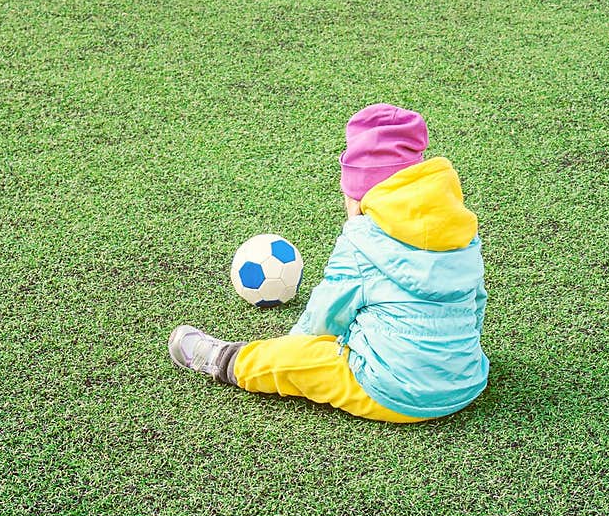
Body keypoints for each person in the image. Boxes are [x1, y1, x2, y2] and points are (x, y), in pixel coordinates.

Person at [169, 104, 488, 422]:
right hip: (467, 380)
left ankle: (221, 359)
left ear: (360, 195)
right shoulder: (461, 229)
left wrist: (292, 348)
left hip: (394, 393)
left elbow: (324, 313)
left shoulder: (362, 240)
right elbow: (476, 302)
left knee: (305, 362)